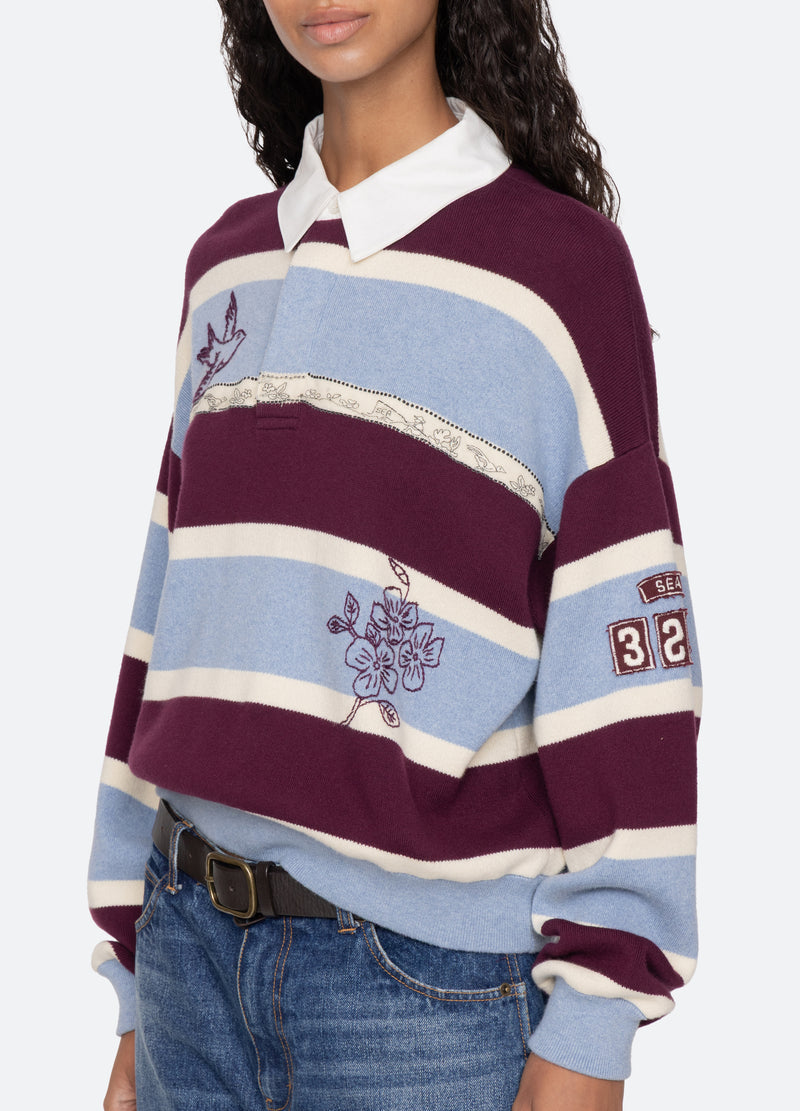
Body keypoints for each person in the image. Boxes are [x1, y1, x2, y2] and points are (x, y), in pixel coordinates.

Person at [89, 1, 701, 1108]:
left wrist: (596, 1019)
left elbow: (626, 658)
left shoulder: (560, 273)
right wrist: (136, 972)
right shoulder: (224, 266)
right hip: (187, 956)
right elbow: (169, 613)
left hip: (420, 1005)